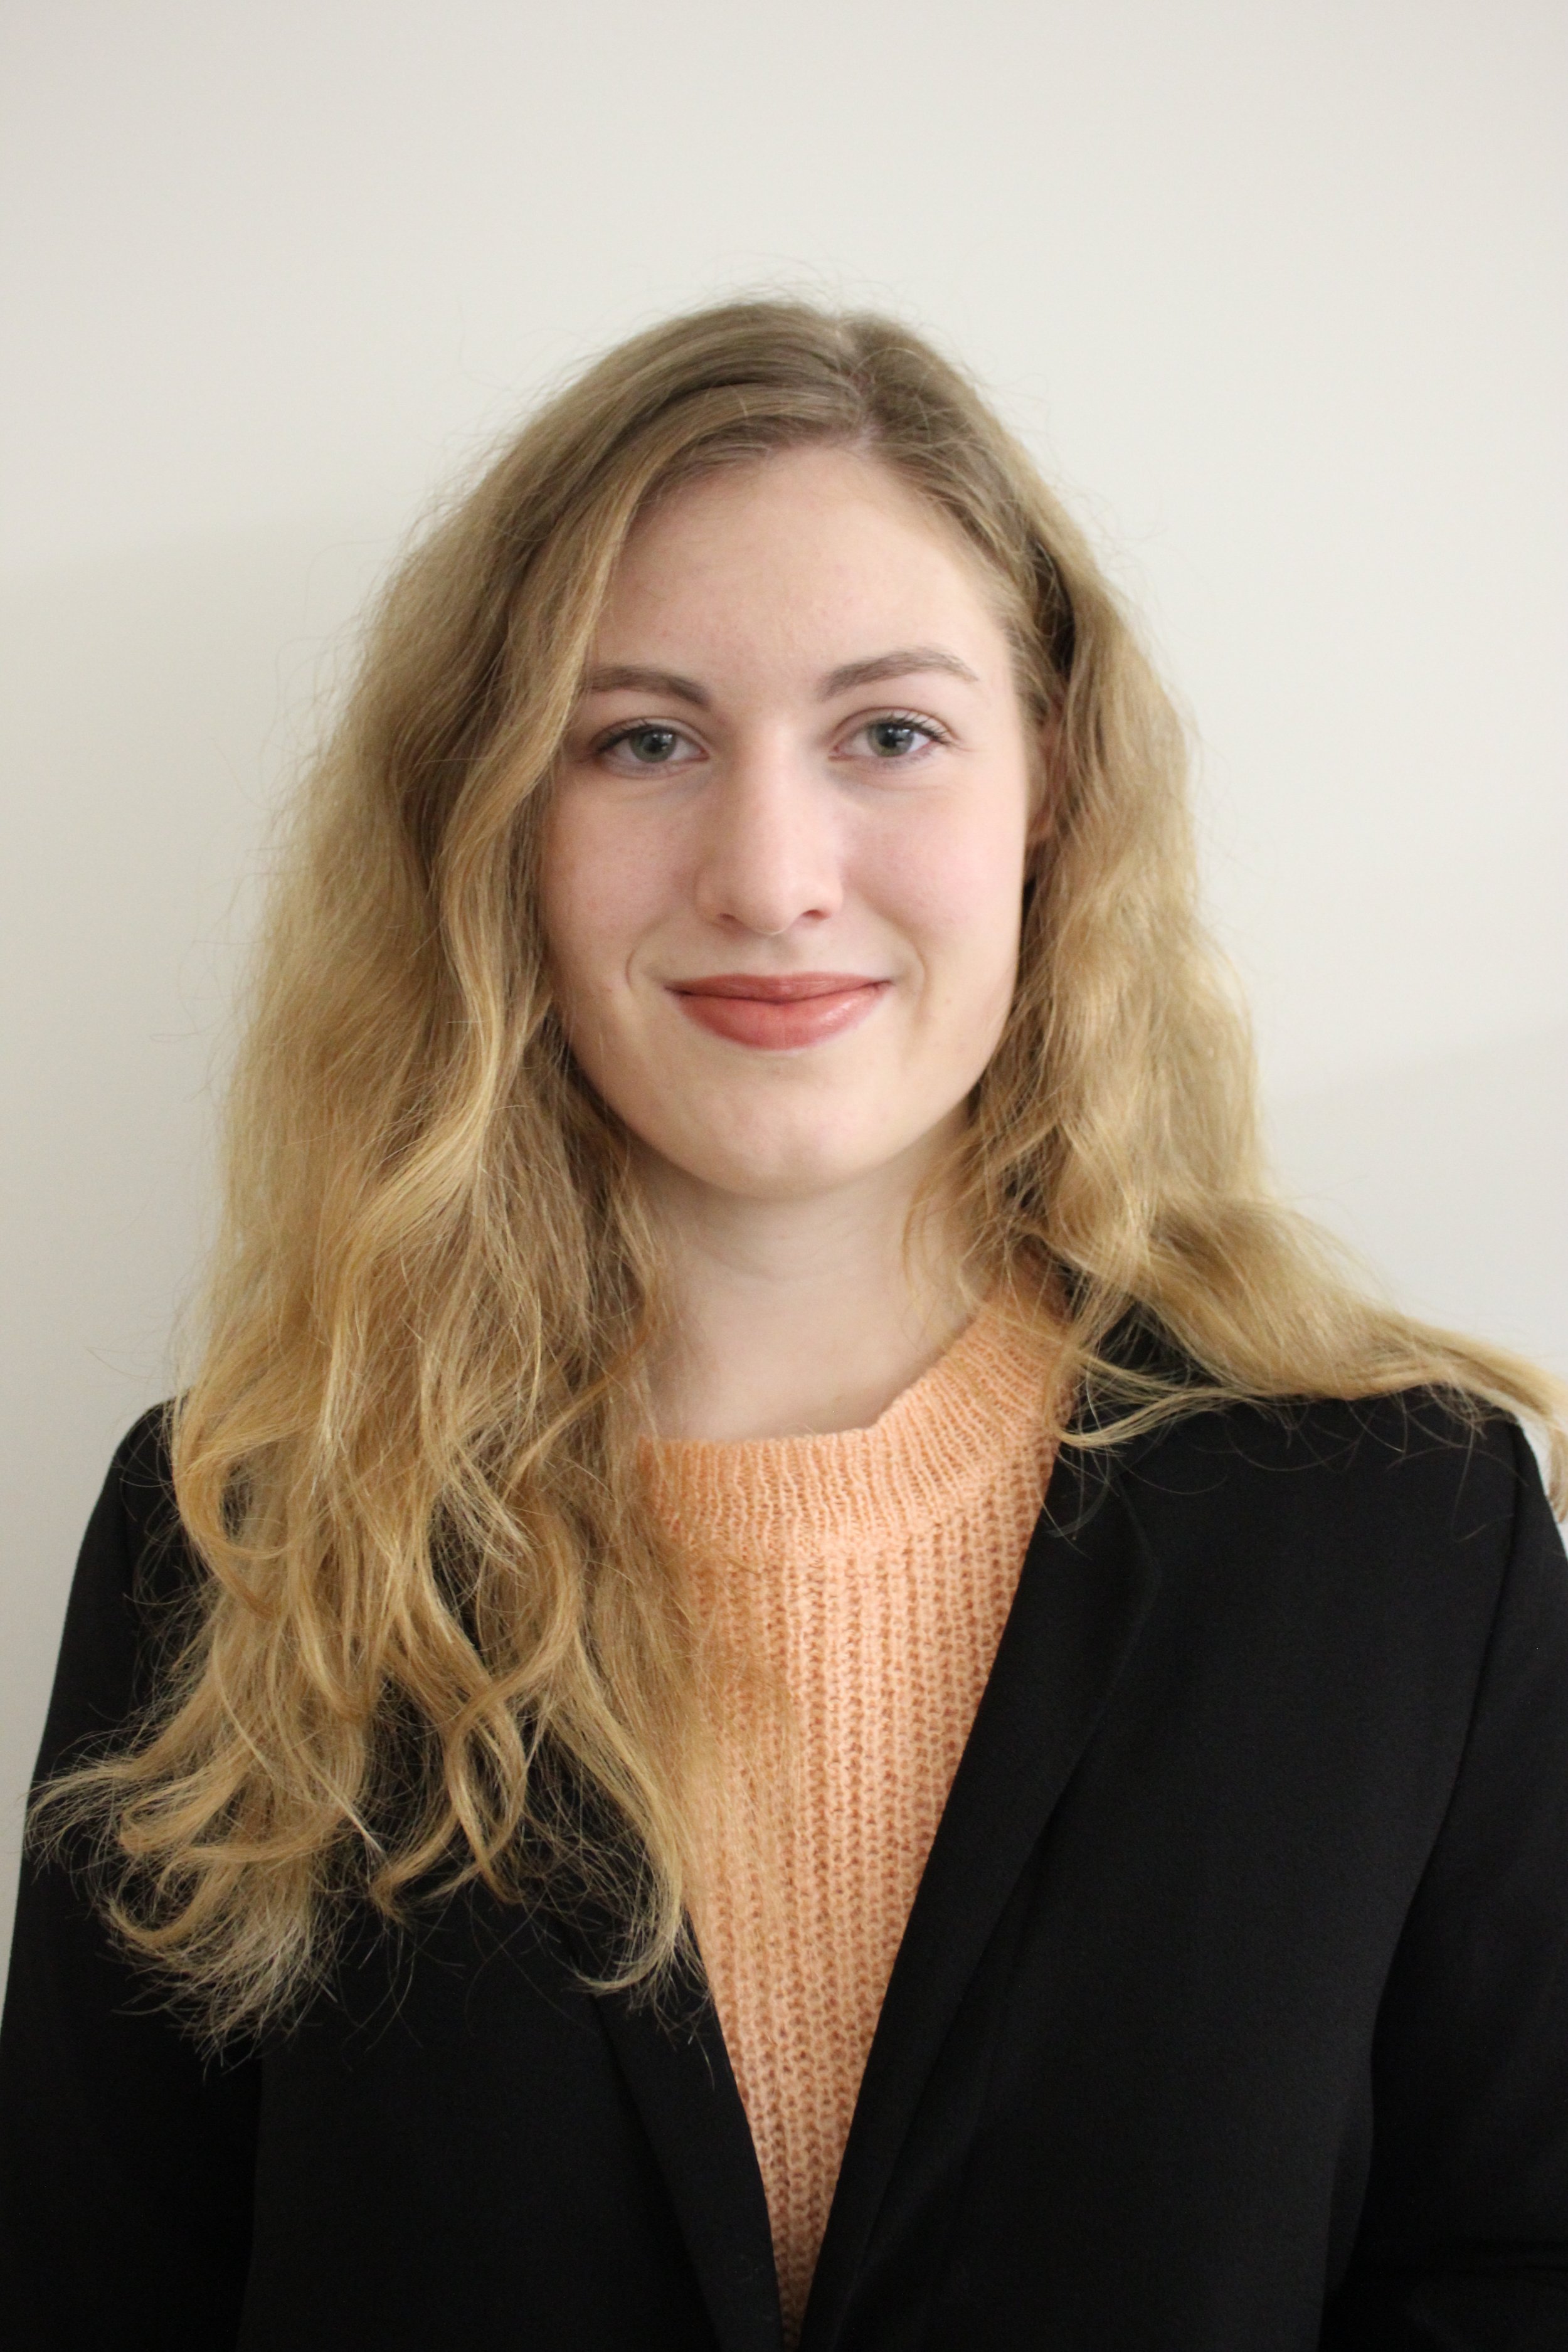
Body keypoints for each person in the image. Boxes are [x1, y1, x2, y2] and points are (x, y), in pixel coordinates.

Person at [2, 298, 1565, 2352]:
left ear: (1048, 786)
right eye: (640, 738)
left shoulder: (1404, 1530)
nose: (769, 873)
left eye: (888, 734)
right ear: (497, 826)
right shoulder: (233, 1534)